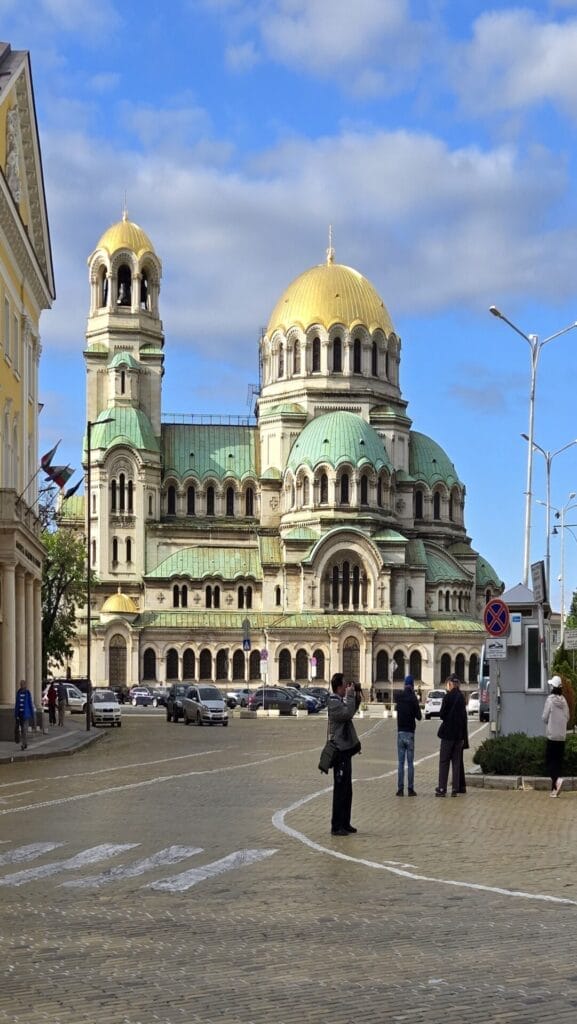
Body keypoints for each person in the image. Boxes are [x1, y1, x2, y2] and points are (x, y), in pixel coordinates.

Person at [327, 672, 361, 836]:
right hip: (339, 751)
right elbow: (347, 713)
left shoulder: (341, 701)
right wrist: (350, 696)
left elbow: (351, 711)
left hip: (346, 751)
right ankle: (336, 826)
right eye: (345, 685)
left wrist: (355, 696)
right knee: (340, 789)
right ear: (338, 687)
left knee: (347, 789)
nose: (347, 687)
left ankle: (345, 822)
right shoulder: (333, 702)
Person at [435, 674, 468, 797]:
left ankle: (442, 789)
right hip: (459, 736)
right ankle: (455, 788)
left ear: (450, 684)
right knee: (456, 762)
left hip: (448, 735)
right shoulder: (462, 698)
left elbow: (442, 715)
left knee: (444, 761)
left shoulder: (447, 697)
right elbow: (464, 718)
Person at [542, 675, 569, 797]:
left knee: (549, 762)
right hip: (562, 737)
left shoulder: (550, 700)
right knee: (557, 763)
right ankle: (554, 790)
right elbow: (567, 717)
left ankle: (557, 781)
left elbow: (544, 717)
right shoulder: (564, 701)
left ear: (553, 687)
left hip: (552, 736)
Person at [395, 674, 422, 796]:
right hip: (410, 733)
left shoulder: (399, 697)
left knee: (400, 763)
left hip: (400, 732)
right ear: (412, 685)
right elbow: (419, 717)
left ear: (404, 684)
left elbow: (396, 709)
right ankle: (410, 789)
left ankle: (400, 789)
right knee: (410, 763)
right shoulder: (413, 698)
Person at [14, 680, 35, 750]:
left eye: (23, 684)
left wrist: (32, 715)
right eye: (20, 684)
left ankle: (23, 744)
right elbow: (17, 704)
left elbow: (30, 704)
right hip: (19, 715)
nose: (21, 685)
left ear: (25, 685)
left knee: (24, 729)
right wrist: (16, 714)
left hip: (26, 715)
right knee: (20, 730)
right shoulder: (18, 693)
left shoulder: (27, 693)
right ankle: (25, 743)